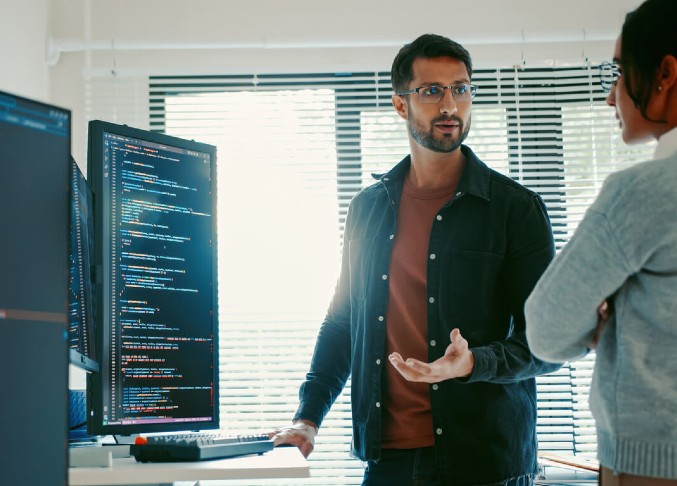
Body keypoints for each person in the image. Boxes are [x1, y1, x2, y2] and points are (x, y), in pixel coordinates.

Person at [270, 33, 559, 486]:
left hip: (483, 463)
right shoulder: (367, 208)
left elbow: (549, 341)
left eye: (461, 88)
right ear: (401, 104)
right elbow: (345, 324)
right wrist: (307, 418)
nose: (450, 105)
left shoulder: (515, 209)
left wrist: (472, 362)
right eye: (432, 91)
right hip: (387, 463)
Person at [525, 0, 677, 484]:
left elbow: (546, 331)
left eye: (618, 72)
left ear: (666, 74)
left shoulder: (642, 195)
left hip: (652, 464)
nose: (611, 98)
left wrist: (607, 316)